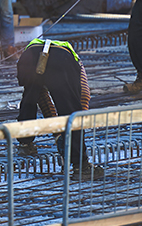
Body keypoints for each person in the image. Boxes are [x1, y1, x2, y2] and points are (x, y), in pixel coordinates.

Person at [15, 39, 103, 180]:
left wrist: (58, 134)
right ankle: (81, 166)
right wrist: (69, 130)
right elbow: (83, 98)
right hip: (60, 61)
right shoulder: (76, 64)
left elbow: (39, 96)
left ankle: (25, 143)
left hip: (29, 58)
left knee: (30, 96)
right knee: (71, 111)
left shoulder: (33, 46)